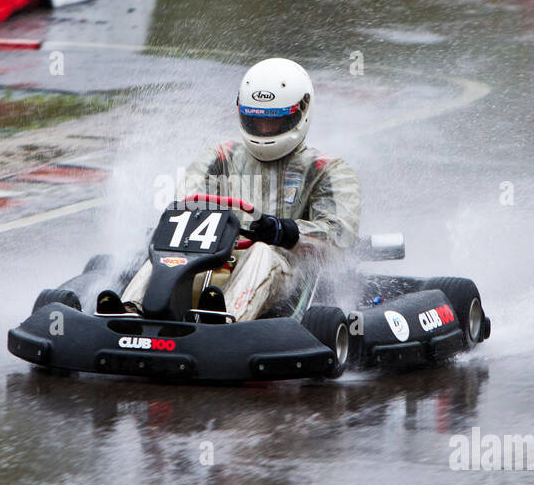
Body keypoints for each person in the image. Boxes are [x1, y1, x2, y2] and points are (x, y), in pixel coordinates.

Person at [100, 58, 361, 321]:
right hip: (209, 257)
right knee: (167, 248)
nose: (264, 129)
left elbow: (338, 239)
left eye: (275, 121)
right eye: (255, 120)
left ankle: (226, 318)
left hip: (285, 270)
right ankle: (130, 310)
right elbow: (185, 201)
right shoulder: (221, 155)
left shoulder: (326, 170)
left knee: (261, 251)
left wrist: (285, 231)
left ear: (301, 112)